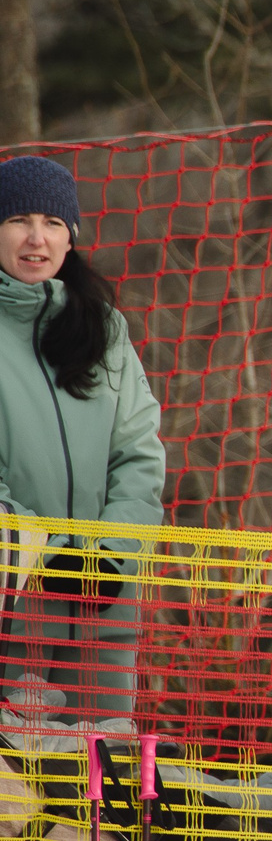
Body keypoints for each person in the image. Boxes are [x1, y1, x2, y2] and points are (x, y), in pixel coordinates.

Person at [0, 155, 166, 728]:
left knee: (97, 799)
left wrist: (111, 559)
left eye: (52, 222)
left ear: (72, 237)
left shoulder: (104, 328)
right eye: (18, 219)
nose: (36, 238)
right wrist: (50, 557)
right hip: (13, 618)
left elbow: (139, 455)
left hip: (103, 621)